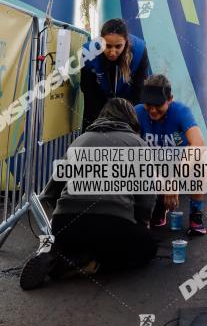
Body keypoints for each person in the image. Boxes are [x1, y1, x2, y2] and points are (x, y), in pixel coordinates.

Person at [20, 99, 158, 290]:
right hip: (112, 225)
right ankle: (90, 264)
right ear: (131, 121)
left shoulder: (79, 141)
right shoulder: (138, 144)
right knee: (148, 248)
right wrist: (142, 225)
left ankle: (62, 255)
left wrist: (64, 214)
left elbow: (50, 193)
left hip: (65, 224)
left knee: (83, 239)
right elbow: (146, 199)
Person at [135, 74, 207, 235]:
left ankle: (196, 214)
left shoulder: (181, 111)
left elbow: (198, 143)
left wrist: (174, 180)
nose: (153, 110)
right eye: (149, 104)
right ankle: (156, 207)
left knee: (199, 160)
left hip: (177, 166)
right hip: (150, 167)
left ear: (170, 100)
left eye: (158, 105)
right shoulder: (138, 112)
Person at [81, 18, 151, 130]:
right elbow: (89, 96)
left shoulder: (139, 51)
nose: (112, 52)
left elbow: (139, 93)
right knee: (92, 125)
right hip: (100, 94)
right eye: (108, 46)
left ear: (126, 43)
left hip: (129, 95)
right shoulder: (88, 53)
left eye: (118, 46)